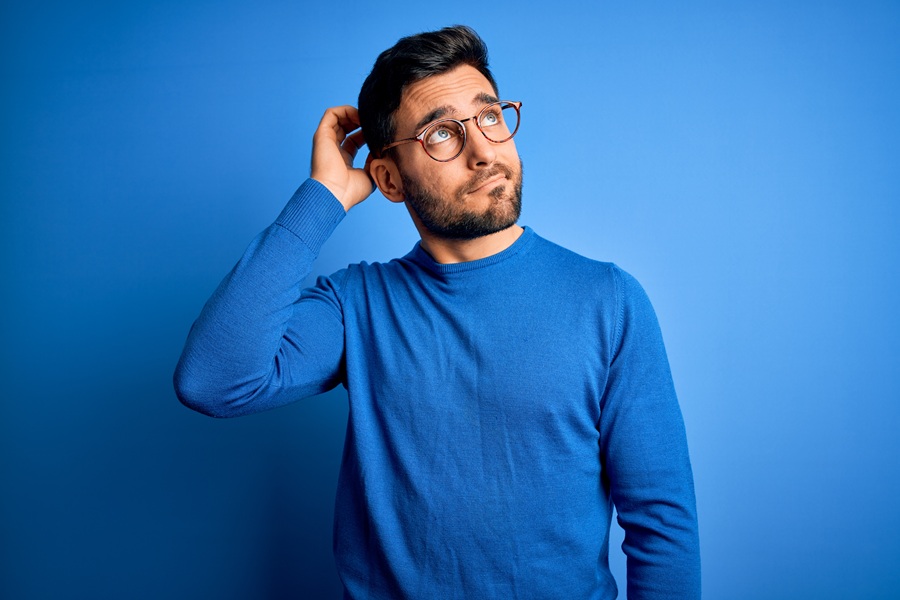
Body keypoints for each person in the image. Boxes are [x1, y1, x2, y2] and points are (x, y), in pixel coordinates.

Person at [174, 25, 700, 600]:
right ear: (389, 180)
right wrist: (323, 197)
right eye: (442, 134)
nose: (483, 152)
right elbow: (213, 380)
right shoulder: (357, 306)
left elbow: (661, 525)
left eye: (490, 116)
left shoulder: (609, 299)